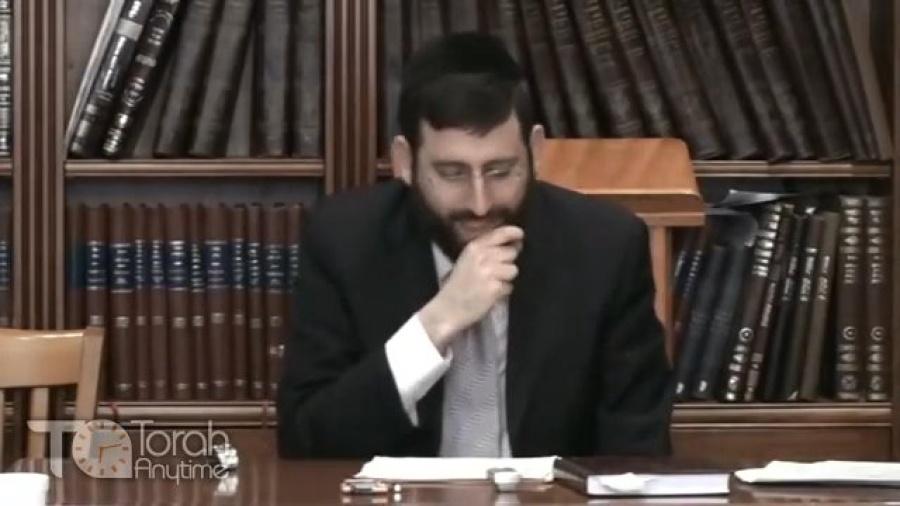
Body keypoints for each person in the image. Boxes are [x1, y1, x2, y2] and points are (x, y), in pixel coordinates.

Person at [276, 31, 674, 459]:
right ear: (405, 161)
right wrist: (437, 322)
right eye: (452, 174)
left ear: (535, 151)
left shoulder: (607, 248)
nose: (480, 204)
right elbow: (305, 438)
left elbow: (638, 452)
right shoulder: (344, 241)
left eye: (500, 171)